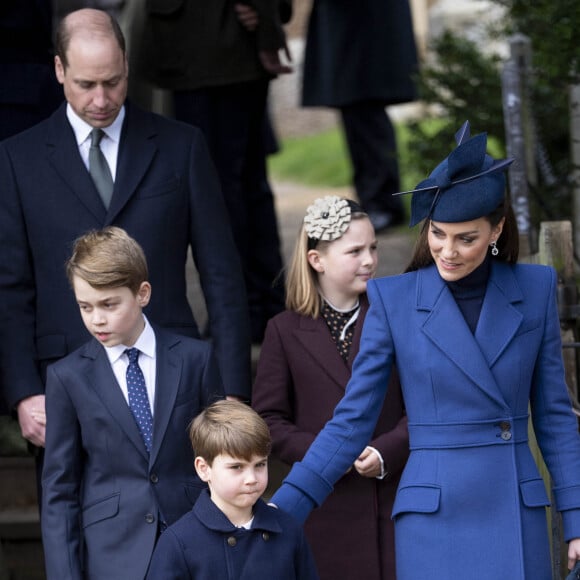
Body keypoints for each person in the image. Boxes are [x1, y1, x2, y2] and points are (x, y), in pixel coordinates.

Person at [270, 122, 580, 578]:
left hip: (513, 504)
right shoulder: (393, 300)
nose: (446, 251)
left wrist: (575, 516)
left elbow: (553, 414)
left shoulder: (535, 289)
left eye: (465, 238)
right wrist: (281, 509)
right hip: (432, 517)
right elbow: (350, 423)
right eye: (437, 233)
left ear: (496, 230)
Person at [0, 9, 250, 455]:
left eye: (112, 82)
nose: (101, 99)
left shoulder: (182, 146)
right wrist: (23, 391)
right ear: (59, 70)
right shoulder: (18, 160)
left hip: (173, 380)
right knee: (71, 523)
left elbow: (222, 274)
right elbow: (11, 286)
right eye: (86, 84)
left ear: (127, 66)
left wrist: (231, 389)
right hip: (63, 386)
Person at [41, 226, 224, 579]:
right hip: (113, 555)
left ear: (142, 293)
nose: (97, 319)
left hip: (196, 540)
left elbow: (222, 454)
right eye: (85, 306)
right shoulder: (68, 377)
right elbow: (60, 490)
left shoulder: (194, 359)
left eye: (109, 304)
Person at [252, 196, 409, 579]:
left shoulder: (397, 317)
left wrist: (385, 450)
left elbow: (424, 405)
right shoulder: (283, 331)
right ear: (316, 260)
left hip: (395, 503)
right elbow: (268, 421)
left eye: (373, 247)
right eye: (354, 251)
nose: (370, 259)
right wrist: (329, 455)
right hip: (326, 512)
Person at [134, 0, 291, 343]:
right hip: (205, 48)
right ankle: (263, 306)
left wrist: (266, 14)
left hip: (214, 50)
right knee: (243, 184)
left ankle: (250, 310)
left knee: (223, 189)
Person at [146, 400, 319, 580]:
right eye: (237, 467)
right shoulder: (178, 542)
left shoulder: (289, 530)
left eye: (260, 464)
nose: (252, 479)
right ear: (204, 468)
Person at [300, 0, 418, 232]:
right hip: (351, 29)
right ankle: (374, 201)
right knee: (357, 115)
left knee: (366, 115)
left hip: (363, 33)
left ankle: (383, 203)